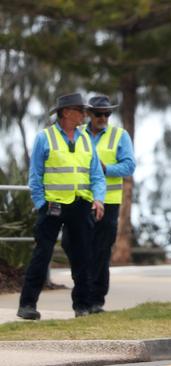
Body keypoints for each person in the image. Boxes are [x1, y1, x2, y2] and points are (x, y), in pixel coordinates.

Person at [18, 93, 105, 320]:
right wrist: (41, 203)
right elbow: (35, 176)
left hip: (80, 205)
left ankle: (82, 307)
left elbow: (96, 175)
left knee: (82, 256)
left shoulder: (86, 139)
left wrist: (98, 199)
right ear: (66, 112)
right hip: (52, 206)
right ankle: (27, 305)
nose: (85, 115)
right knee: (41, 254)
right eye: (80, 110)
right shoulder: (44, 138)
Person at [80, 95, 135, 314]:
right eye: (99, 114)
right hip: (81, 200)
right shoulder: (77, 134)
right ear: (89, 115)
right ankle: (83, 296)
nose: (103, 118)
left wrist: (106, 169)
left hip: (109, 203)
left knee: (101, 252)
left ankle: (95, 300)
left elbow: (129, 166)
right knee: (78, 248)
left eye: (107, 114)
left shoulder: (119, 135)